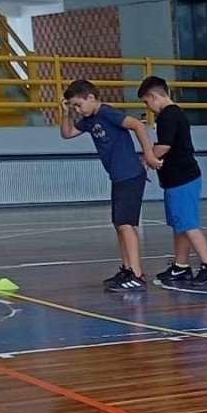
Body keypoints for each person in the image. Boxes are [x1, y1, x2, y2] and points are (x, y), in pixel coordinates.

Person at [61, 79, 160, 292]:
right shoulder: (89, 120)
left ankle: (137, 274)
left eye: (78, 105)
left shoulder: (107, 113)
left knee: (126, 224)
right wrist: (66, 113)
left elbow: (138, 125)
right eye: (74, 107)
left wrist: (149, 155)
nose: (77, 110)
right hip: (118, 176)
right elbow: (67, 134)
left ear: (91, 98)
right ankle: (127, 269)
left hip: (130, 174)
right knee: (118, 224)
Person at [137, 76, 207, 287]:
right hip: (176, 179)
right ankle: (181, 265)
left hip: (182, 179)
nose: (148, 107)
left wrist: (146, 159)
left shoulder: (168, 115)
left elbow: (164, 146)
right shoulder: (172, 114)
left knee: (189, 224)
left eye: (146, 102)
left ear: (154, 96)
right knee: (180, 225)